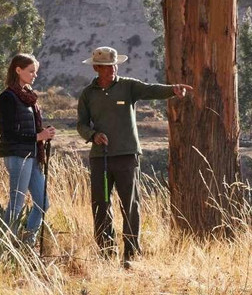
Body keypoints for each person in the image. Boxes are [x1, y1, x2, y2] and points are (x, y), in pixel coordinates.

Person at [75, 47, 191, 265]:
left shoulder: (128, 86)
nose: (112, 70)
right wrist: (93, 135)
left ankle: (131, 253)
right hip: (100, 158)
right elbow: (81, 124)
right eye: (107, 67)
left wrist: (173, 90)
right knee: (100, 204)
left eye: (115, 65)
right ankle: (106, 252)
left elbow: (151, 90)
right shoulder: (88, 94)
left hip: (127, 156)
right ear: (96, 68)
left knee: (130, 204)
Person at [0, 53, 55, 242]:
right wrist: (39, 136)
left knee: (43, 203)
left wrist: (42, 134)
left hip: (32, 154)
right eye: (31, 71)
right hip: (17, 156)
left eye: (35, 72)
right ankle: (6, 245)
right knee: (17, 204)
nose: (34, 75)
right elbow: (9, 132)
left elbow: (27, 128)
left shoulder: (28, 97)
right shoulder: (7, 97)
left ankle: (28, 241)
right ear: (18, 70)